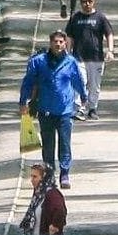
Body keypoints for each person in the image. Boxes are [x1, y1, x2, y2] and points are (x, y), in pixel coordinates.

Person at [19, 31, 87, 189]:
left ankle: (64, 173)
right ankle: (49, 175)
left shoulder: (70, 62)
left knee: (65, 143)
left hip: (65, 111)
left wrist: (83, 95)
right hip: (45, 110)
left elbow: (77, 80)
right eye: (55, 41)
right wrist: (23, 101)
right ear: (50, 43)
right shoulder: (39, 62)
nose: (58, 44)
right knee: (48, 145)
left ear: (65, 44)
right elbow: (28, 82)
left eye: (61, 42)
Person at [65, 0, 114, 121]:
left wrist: (110, 50)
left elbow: (109, 34)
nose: (87, 4)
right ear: (81, 3)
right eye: (84, 1)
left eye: (89, 1)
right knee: (80, 83)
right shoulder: (75, 18)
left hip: (96, 58)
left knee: (94, 85)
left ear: (94, 2)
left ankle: (92, 108)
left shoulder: (100, 17)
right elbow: (69, 36)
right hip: (78, 57)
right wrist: (67, 54)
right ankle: (79, 109)